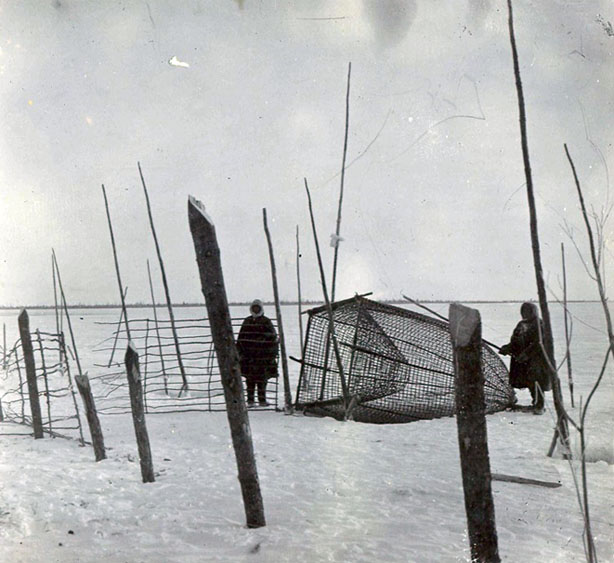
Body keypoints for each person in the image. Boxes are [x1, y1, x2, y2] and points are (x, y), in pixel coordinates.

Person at [499, 302, 552, 414]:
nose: (524, 314)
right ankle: (535, 402)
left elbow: (539, 343)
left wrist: (527, 354)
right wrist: (507, 348)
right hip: (522, 361)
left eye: (528, 311)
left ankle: (539, 405)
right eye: (523, 311)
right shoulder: (521, 325)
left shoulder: (539, 324)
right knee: (528, 380)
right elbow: (515, 342)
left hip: (536, 360)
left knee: (536, 380)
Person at [236, 299, 279, 406]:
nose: (255, 310)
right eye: (254, 308)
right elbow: (241, 338)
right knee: (249, 380)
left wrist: (270, 352)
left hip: (262, 357)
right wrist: (240, 352)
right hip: (249, 356)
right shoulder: (247, 321)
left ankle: (262, 400)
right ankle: (250, 400)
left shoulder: (266, 322)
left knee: (262, 379)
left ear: (261, 309)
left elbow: (272, 338)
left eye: (257, 308)